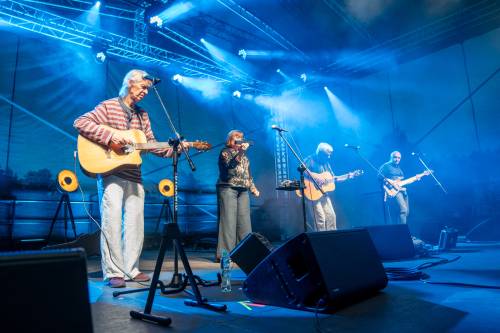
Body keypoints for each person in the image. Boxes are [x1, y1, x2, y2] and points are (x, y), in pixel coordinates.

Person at [74, 69, 178, 288]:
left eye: (148, 89)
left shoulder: (143, 115)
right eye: (143, 87)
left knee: (135, 224)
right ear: (130, 83)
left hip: (134, 174)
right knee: (111, 222)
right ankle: (113, 272)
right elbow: (81, 122)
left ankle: (131, 269)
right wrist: (111, 138)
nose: (145, 92)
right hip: (110, 172)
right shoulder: (108, 106)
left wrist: (175, 149)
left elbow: (150, 143)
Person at [216, 130, 259, 262]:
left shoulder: (245, 157)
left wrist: (253, 188)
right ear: (230, 139)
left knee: (244, 222)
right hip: (228, 188)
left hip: (243, 189)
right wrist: (241, 152)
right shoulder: (225, 152)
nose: (239, 139)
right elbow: (230, 167)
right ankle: (225, 255)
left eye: (241, 137)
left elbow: (247, 174)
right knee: (228, 222)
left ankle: (245, 253)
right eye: (236, 137)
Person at [304, 143, 354, 231]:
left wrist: (348, 176)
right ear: (320, 153)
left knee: (331, 216)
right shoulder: (310, 159)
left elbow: (333, 178)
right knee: (320, 219)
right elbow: (302, 169)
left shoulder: (326, 163)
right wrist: (316, 178)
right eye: (327, 155)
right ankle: (320, 240)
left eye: (330, 155)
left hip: (323, 194)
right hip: (312, 194)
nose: (329, 157)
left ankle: (332, 238)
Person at [378, 151, 420, 224]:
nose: (397, 159)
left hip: (402, 190)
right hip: (393, 191)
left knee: (407, 212)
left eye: (399, 158)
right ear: (391, 157)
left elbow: (403, 181)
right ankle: (403, 232)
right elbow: (379, 177)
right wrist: (390, 183)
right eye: (395, 157)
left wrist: (416, 178)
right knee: (403, 210)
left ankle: (399, 229)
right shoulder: (386, 166)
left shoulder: (399, 169)